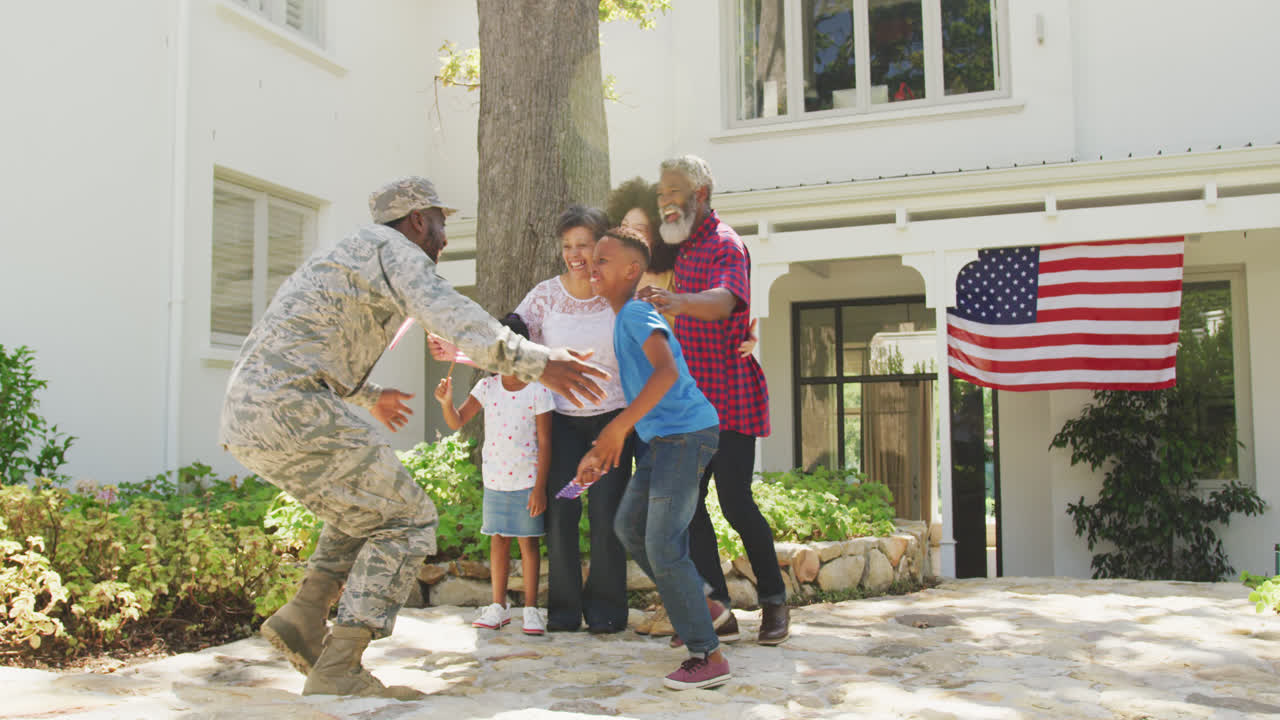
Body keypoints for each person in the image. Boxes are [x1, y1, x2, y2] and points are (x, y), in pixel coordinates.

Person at [220, 176, 608, 699]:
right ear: (418, 221)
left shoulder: (351, 252)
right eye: (441, 224)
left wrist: (367, 393)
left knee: (365, 509)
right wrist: (538, 362)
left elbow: (310, 338)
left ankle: (305, 617)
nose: (446, 238)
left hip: (252, 410)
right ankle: (340, 666)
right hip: (292, 406)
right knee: (409, 518)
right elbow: (453, 315)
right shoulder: (394, 248)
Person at [429, 205, 632, 634]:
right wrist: (464, 346)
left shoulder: (620, 294)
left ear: (603, 246)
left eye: (585, 245)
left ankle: (607, 612)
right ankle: (562, 612)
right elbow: (510, 334)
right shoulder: (544, 296)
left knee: (607, 514)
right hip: (561, 425)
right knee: (561, 515)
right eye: (568, 247)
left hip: (611, 425)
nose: (576, 255)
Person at [637, 155, 790, 646]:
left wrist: (681, 303)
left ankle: (774, 602)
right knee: (689, 508)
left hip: (729, 398)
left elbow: (726, 299)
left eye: (674, 192)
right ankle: (717, 610)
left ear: (701, 195)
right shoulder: (672, 249)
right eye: (661, 194)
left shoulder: (726, 245)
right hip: (687, 402)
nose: (665, 202)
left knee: (737, 503)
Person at [572, 227, 730, 689]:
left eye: (603, 260)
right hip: (662, 439)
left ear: (631, 270)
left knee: (663, 543)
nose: (591, 266)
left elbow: (666, 372)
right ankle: (702, 607)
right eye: (591, 259)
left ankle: (708, 655)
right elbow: (646, 390)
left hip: (685, 436)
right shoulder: (625, 318)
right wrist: (613, 440)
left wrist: (617, 427)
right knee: (630, 528)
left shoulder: (638, 313)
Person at [433, 313, 554, 636]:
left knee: (528, 544)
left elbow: (545, 442)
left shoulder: (538, 391)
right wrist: (446, 403)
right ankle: (498, 605)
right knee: (498, 540)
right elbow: (457, 420)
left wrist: (540, 488)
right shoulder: (486, 387)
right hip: (496, 481)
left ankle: (531, 608)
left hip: (527, 482)